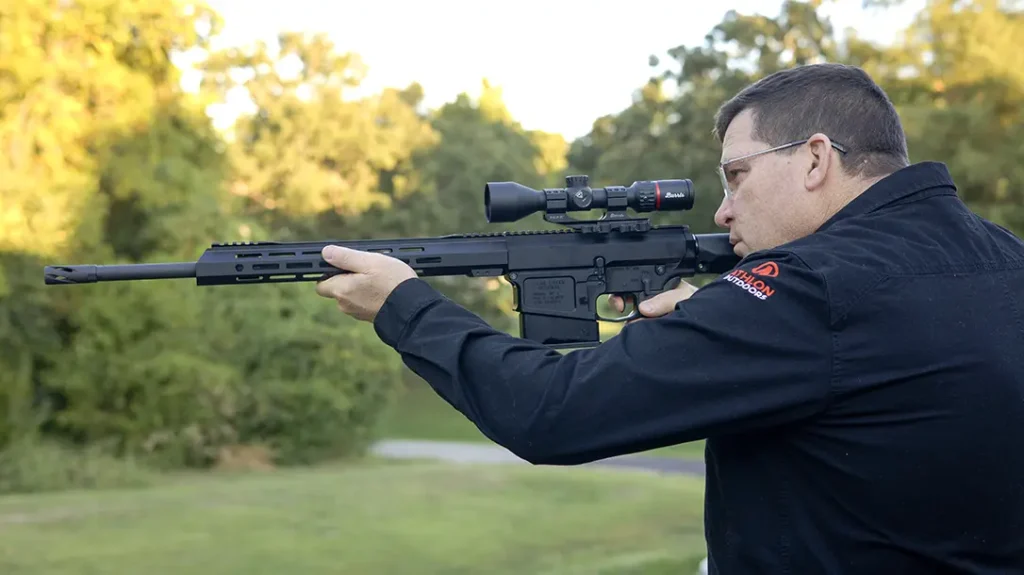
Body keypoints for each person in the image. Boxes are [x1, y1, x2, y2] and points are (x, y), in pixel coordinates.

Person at [314, 63, 1024, 574]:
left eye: (736, 175)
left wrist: (403, 306)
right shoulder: (1004, 257)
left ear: (814, 159)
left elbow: (551, 412)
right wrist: (722, 322)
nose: (722, 210)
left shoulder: (807, 287)